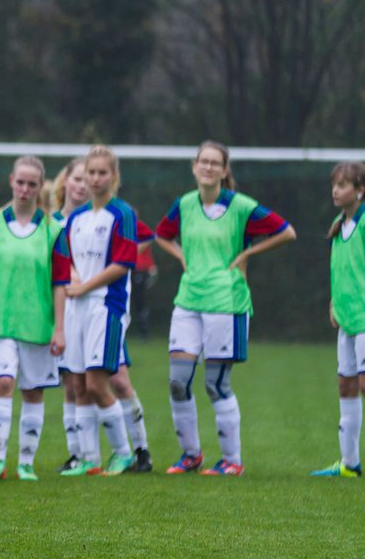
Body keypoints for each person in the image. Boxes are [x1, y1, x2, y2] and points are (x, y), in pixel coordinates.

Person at [155, 140, 297, 475]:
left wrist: (247, 254)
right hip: (188, 300)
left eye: (214, 163)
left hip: (226, 302)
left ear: (224, 170)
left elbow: (287, 231)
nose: (207, 168)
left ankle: (232, 461)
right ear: (194, 166)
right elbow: (162, 235)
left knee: (215, 384)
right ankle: (191, 455)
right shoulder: (185, 204)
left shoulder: (241, 206)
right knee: (177, 381)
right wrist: (180, 256)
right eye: (202, 161)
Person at [0, 156, 69, 481]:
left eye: (32, 184)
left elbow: (60, 283)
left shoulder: (53, 230)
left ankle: (26, 463)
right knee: (4, 382)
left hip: (38, 325)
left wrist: (60, 329)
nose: (25, 189)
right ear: (11, 180)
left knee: (33, 391)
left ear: (41, 187)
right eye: (20, 182)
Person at [51, 158, 154, 474]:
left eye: (100, 173)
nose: (93, 180)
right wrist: (71, 279)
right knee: (79, 384)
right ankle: (89, 459)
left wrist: (84, 287)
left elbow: (122, 264)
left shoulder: (122, 214)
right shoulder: (76, 217)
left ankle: (126, 453)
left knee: (99, 384)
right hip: (76, 307)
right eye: (89, 173)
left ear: (114, 176)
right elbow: (63, 255)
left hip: (106, 306)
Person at [312, 162, 365, 477]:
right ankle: (349, 464)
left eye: (344, 185)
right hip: (347, 320)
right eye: (334, 184)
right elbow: (342, 270)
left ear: (360, 190)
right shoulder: (338, 223)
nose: (336, 190)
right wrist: (335, 301)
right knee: (346, 386)